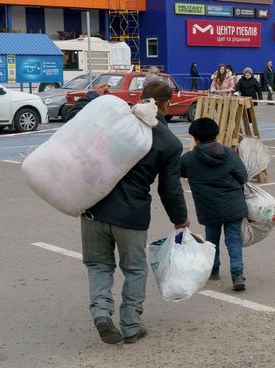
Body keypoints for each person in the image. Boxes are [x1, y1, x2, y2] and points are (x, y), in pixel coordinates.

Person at [65, 80, 190, 345]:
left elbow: (76, 125)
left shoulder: (116, 121)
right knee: (134, 269)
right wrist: (181, 220)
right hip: (131, 216)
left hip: (94, 206)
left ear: (142, 97)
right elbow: (169, 190)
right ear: (167, 104)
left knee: (98, 265)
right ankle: (131, 325)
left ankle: (101, 313)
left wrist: (90, 96)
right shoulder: (168, 142)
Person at [180, 118, 249, 291]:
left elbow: (178, 171)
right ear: (216, 135)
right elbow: (243, 176)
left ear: (195, 138)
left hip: (208, 206)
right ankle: (237, 274)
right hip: (233, 205)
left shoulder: (189, 159)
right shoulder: (228, 153)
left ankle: (213, 270)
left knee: (211, 240)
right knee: (233, 239)